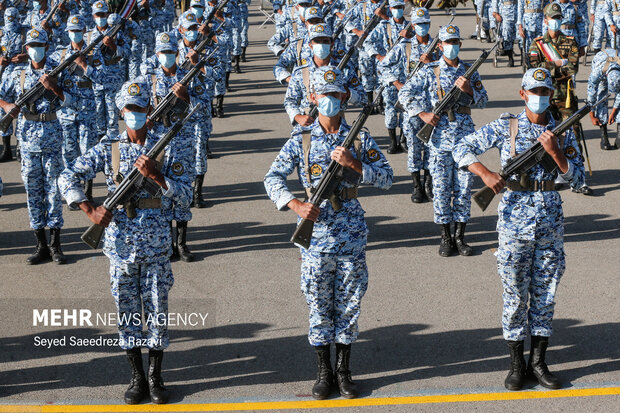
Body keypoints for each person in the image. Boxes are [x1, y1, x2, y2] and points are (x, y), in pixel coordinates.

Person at [58, 78, 194, 405]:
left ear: (150, 109)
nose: (134, 113)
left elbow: (186, 198)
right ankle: (136, 377)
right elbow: (67, 176)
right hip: (120, 248)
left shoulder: (169, 145)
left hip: (158, 246)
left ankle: (156, 377)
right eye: (129, 109)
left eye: (140, 108)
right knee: (128, 314)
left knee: (158, 313)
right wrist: (88, 208)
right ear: (122, 111)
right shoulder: (110, 148)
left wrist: (158, 177)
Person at [264, 66, 393, 400]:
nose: (329, 100)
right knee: (318, 304)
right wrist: (294, 205)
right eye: (324, 94)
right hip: (316, 238)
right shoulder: (301, 139)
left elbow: (387, 177)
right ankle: (324, 372)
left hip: (350, 235)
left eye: (335, 94)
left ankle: (344, 371)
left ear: (343, 97)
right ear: (312, 97)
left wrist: (356, 165)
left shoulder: (360, 138)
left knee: (349, 303)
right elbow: (272, 178)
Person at [453, 68, 585, 391]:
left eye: (545, 91)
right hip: (514, 223)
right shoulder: (506, 126)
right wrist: (484, 174)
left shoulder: (562, 131)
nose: (540, 97)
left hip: (550, 223)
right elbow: (460, 148)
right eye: (534, 91)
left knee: (545, 293)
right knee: (514, 293)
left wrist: (556, 153)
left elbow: (580, 179)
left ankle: (538, 362)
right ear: (522, 93)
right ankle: (516, 364)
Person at [398, 24, 488, 257]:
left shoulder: (469, 71)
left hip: (465, 141)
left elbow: (483, 101)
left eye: (455, 42)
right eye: (447, 43)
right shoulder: (430, 71)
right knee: (441, 189)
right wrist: (422, 113)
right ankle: (445, 237)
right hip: (438, 142)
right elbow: (404, 93)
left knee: (464, 188)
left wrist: (469, 90)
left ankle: (460, 236)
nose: (452, 46)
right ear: (440, 46)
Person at [0, 28, 77, 265]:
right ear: (26, 49)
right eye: (32, 45)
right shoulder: (16, 72)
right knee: (33, 193)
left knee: (54, 192)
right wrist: (6, 107)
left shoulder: (58, 69)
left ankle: (55, 245)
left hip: (52, 138)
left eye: (40, 44)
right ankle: (40, 244)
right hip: (27, 140)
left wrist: (54, 87)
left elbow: (74, 101)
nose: (35, 49)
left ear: (47, 45)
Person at [529, 2, 593, 195]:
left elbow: (572, 68)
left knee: (572, 135)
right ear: (545, 20)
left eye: (558, 19)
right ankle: (555, 174)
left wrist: (549, 66)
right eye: (552, 18)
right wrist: (557, 64)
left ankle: (578, 179)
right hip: (544, 98)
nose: (555, 22)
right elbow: (534, 69)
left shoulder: (570, 42)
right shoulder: (537, 43)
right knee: (547, 135)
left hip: (565, 97)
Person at [587, 48, 620, 149]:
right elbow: (591, 95)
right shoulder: (597, 72)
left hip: (614, 63)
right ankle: (603, 136)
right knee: (601, 95)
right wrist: (592, 116)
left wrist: (613, 112)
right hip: (602, 63)